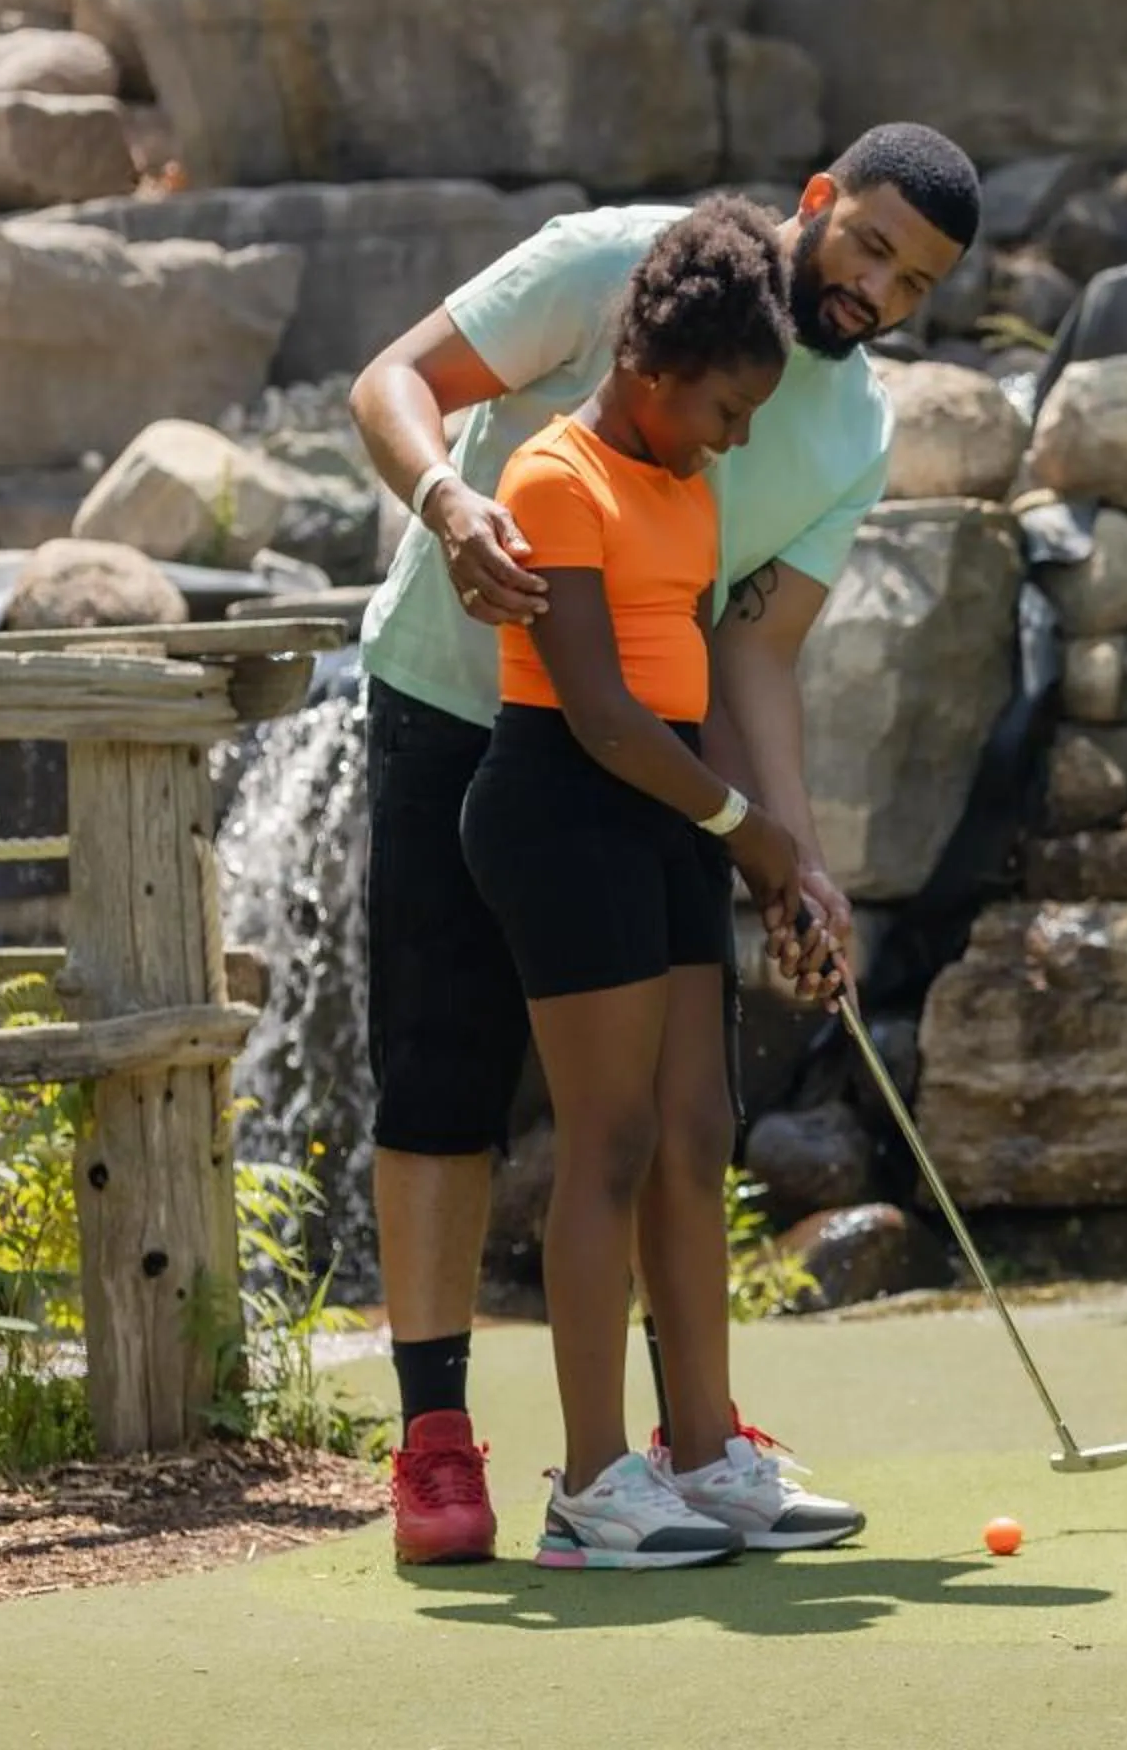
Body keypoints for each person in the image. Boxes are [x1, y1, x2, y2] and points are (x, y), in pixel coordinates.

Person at [350, 126, 981, 1564]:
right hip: (464, 707)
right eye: (869, 244)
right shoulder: (605, 267)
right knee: (443, 1067)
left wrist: (797, 863)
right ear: (818, 201)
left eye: (913, 284)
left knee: (680, 1122)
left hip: (661, 767)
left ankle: (699, 1448)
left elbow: (756, 657)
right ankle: (439, 1441)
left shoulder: (857, 430)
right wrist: (449, 501)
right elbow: (393, 383)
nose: (877, 290)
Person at [458, 197, 804, 1566]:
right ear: (652, 372)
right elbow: (600, 710)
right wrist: (744, 828)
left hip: (666, 813)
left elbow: (700, 679)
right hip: (564, 804)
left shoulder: (687, 483)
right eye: (723, 408)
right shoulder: (557, 479)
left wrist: (764, 840)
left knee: (694, 1127)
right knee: (604, 1140)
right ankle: (592, 1483)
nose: (738, 437)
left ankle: (708, 1456)